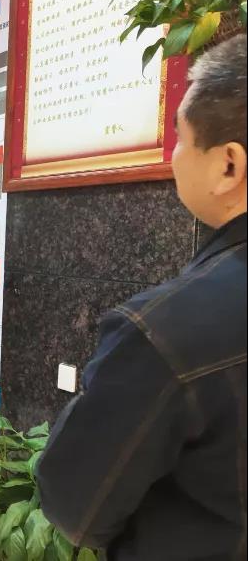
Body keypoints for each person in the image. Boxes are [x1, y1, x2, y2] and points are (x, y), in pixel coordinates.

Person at [37, 34, 247, 560]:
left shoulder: (168, 330)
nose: (175, 157)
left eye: (180, 138)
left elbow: (74, 504)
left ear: (228, 165)